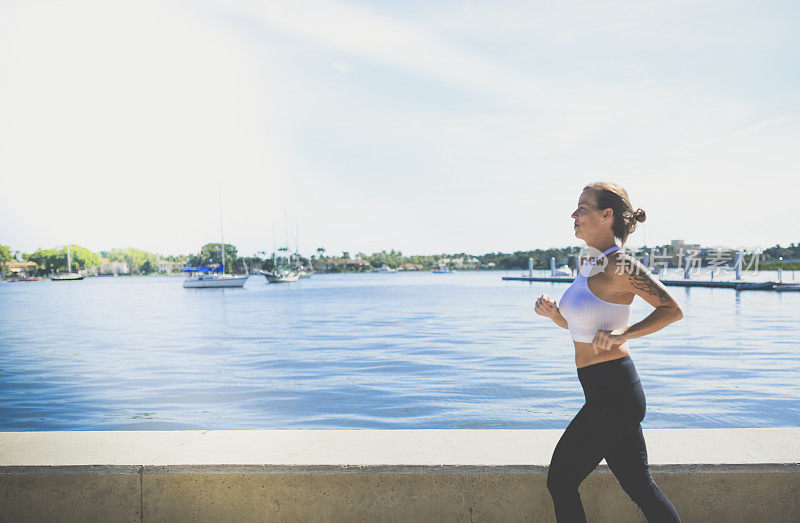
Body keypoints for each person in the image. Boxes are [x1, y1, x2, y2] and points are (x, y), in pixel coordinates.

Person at [534, 182, 683, 522]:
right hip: (604, 393)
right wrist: (555, 314)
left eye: (582, 208)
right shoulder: (591, 264)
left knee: (561, 480)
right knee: (640, 487)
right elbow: (582, 331)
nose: (574, 214)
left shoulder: (621, 264)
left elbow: (672, 309)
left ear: (606, 215)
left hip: (615, 393)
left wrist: (624, 333)